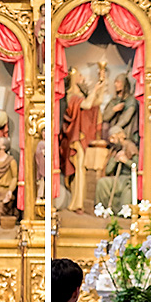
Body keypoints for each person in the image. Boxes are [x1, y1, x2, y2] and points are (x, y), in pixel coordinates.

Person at [58, 67, 105, 214]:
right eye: (79, 75)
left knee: (81, 171)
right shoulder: (72, 96)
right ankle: (76, 204)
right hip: (75, 140)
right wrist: (94, 89)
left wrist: (100, 84)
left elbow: (97, 102)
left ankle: (79, 202)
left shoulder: (80, 96)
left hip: (81, 139)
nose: (82, 78)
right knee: (79, 171)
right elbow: (86, 104)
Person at [101, 74, 138, 145]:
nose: (115, 84)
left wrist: (116, 127)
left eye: (118, 82)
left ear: (124, 84)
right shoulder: (114, 100)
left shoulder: (130, 100)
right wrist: (114, 110)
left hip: (125, 129)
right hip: (113, 130)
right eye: (115, 82)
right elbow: (105, 117)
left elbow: (126, 118)